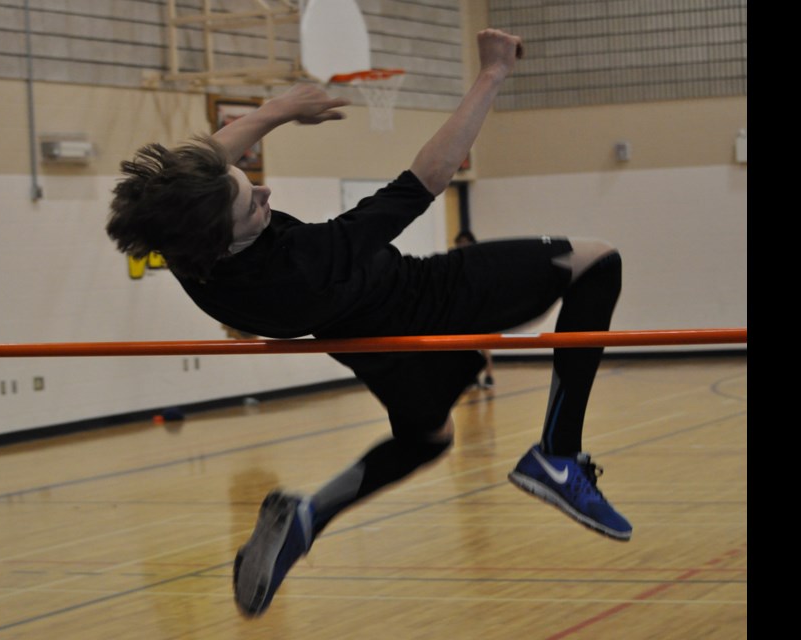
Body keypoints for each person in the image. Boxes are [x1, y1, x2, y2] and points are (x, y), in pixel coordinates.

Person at [107, 28, 631, 619]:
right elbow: (423, 182)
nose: (265, 190)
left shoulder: (183, 242)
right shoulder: (304, 264)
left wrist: (279, 110)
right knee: (596, 261)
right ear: (226, 237)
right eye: (253, 201)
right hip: (430, 297)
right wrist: (491, 75)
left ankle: (308, 517)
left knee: (425, 441)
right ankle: (558, 454)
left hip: (366, 344)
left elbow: (210, 161)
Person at [453, 230, 495, 388]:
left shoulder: (479, 259)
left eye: (465, 241)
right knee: (466, 344)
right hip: (464, 306)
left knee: (483, 342)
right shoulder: (456, 260)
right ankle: (472, 377)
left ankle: (489, 374)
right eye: (460, 242)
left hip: (480, 305)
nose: (462, 244)